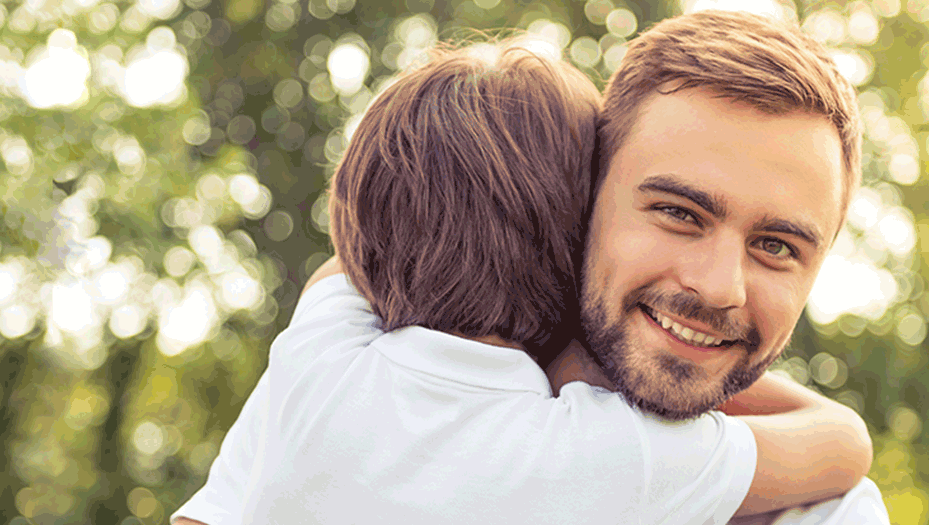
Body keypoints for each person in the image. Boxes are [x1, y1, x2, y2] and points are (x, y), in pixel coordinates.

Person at [172, 12, 889, 525]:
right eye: (676, 211)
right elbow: (841, 443)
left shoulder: (322, 369)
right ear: (582, 200)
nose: (717, 286)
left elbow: (356, 257)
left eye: (776, 246)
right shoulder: (611, 457)